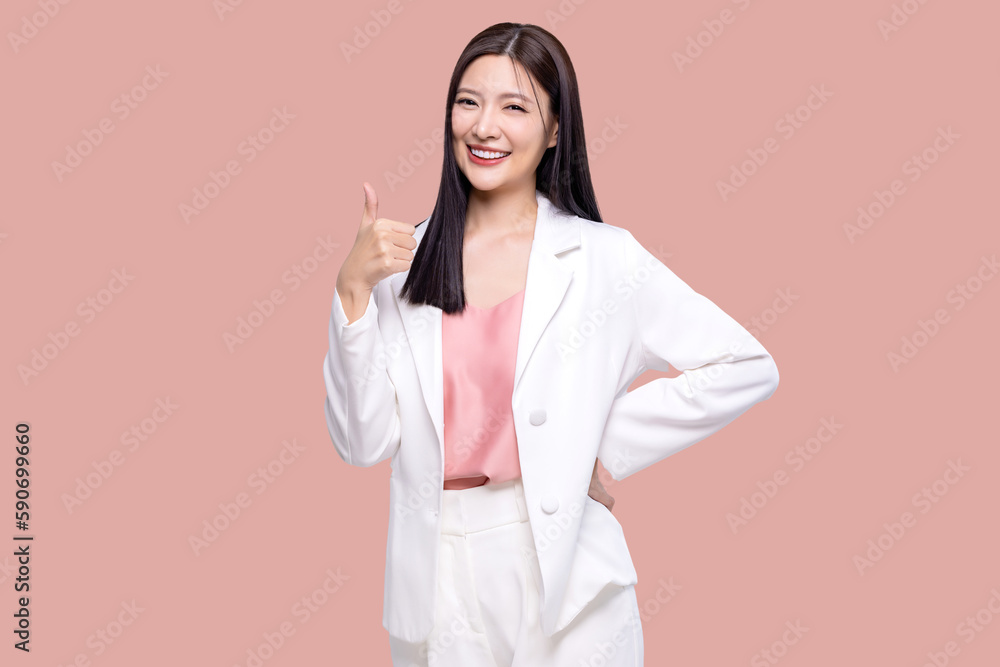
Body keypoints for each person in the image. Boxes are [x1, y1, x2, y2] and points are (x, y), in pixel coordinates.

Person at [324, 22, 780, 666]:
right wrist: (351, 296)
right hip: (435, 579)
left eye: (515, 107)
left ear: (556, 129)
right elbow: (361, 442)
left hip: (567, 574)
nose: (485, 127)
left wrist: (599, 443)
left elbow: (745, 365)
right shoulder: (400, 264)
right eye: (468, 102)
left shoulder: (603, 260)